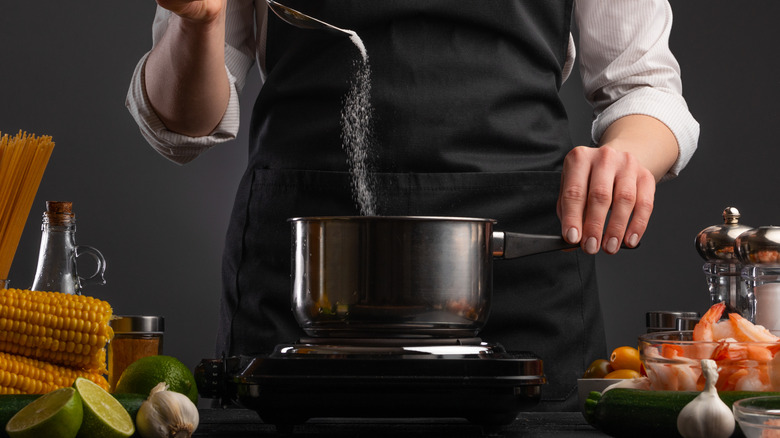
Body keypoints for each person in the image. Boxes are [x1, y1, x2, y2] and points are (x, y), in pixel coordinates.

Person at [127, 0, 698, 411]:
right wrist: (195, 21)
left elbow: (645, 86)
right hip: (311, 272)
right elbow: (181, 124)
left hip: (514, 264)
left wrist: (627, 153)